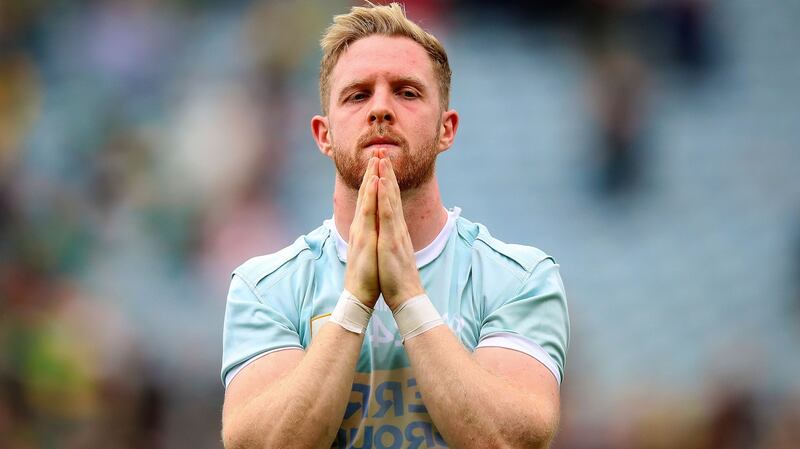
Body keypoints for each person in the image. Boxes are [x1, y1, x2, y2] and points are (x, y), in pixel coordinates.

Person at [220, 3, 569, 449]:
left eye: (406, 92)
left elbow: (508, 441)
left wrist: (407, 297)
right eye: (358, 94)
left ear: (447, 128)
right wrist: (353, 306)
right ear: (323, 134)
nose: (381, 109)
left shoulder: (519, 278)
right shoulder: (264, 288)